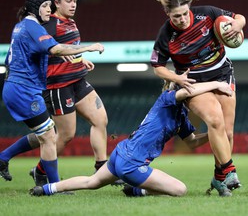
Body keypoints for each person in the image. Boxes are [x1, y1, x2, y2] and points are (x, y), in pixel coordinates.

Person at [29, 78, 233, 197]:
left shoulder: (180, 116)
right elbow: (185, 92)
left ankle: (46, 189)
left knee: (91, 182)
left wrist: (216, 132)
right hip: (131, 163)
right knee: (180, 190)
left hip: (121, 153)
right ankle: (137, 191)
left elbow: (192, 142)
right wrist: (217, 83)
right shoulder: (167, 99)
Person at [142, 0, 246, 196]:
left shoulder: (207, 13)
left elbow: (239, 17)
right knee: (214, 120)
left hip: (223, 74)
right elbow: (157, 66)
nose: (181, 19)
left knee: (227, 133)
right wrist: (176, 78)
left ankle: (219, 178)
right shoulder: (165, 34)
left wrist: (237, 25)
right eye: (176, 16)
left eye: (184, 13)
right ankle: (229, 170)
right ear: (168, 14)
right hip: (193, 83)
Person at [0, 0, 111, 186]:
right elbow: (54, 50)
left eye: (75, 1)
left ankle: (101, 167)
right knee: (57, 135)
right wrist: (90, 48)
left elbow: (57, 50)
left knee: (97, 120)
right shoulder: (43, 24)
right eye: (68, 1)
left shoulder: (56, 23)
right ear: (54, 3)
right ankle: (46, 177)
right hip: (52, 86)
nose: (73, 4)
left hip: (71, 80)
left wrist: (78, 59)